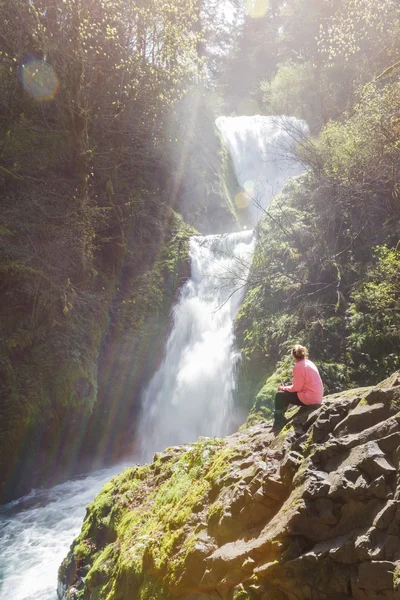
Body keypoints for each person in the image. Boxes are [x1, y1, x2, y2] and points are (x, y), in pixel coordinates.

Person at [272, 344, 323, 431]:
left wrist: (283, 388)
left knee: (279, 395)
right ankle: (281, 418)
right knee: (286, 392)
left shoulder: (298, 366)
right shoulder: (309, 363)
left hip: (309, 398)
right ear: (304, 353)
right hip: (317, 397)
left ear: (293, 355)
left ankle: (278, 422)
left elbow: (297, 388)